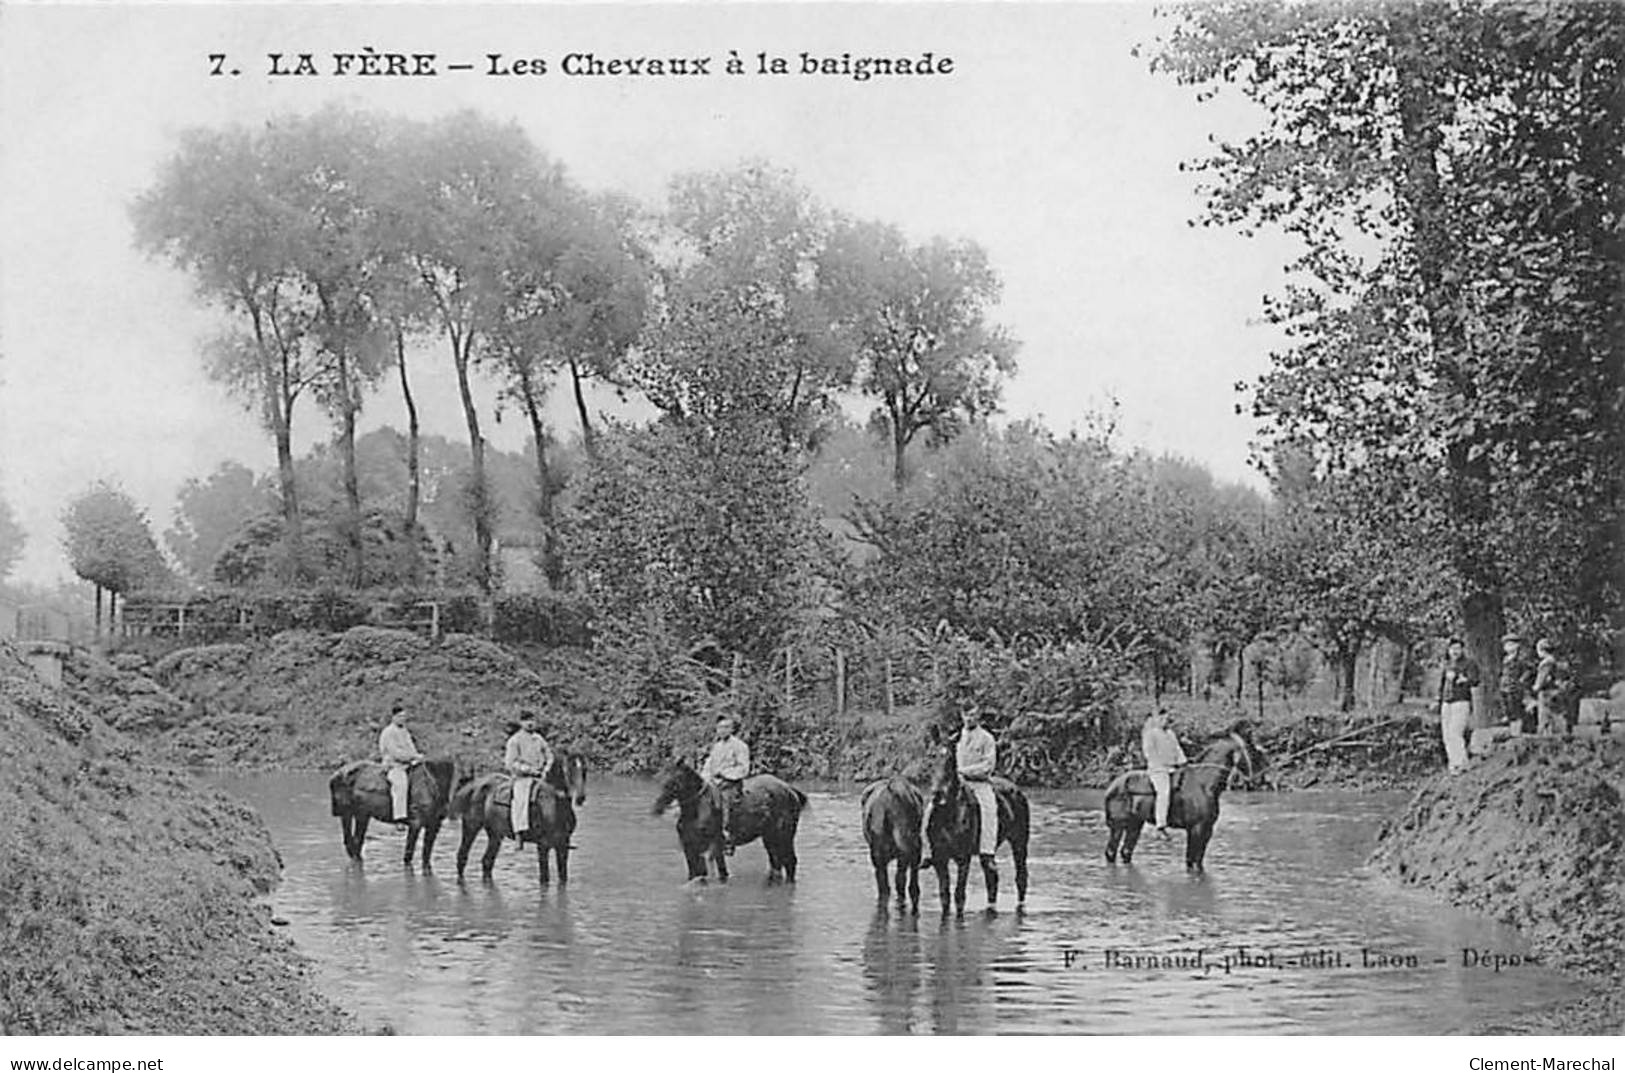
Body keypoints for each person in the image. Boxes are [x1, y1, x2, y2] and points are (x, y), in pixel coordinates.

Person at [954, 708, 1000, 868]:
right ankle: (929, 850)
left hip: (979, 783)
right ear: (962, 715)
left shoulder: (987, 738)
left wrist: (964, 771)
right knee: (932, 808)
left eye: (972, 715)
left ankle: (987, 852)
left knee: (989, 810)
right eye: (966, 714)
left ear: (978, 716)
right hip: (957, 782)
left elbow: (988, 766)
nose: (969, 718)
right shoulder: (956, 737)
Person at [700, 717, 750, 854]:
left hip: (730, 783)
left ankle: (727, 837)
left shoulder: (740, 746)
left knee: (725, 802)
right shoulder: (717, 746)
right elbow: (708, 765)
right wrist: (704, 778)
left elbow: (743, 768)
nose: (722, 731)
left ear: (732, 729)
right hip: (714, 782)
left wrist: (724, 773)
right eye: (720, 728)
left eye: (726, 727)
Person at [504, 710, 555, 838]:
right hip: (522, 777)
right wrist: (529, 770)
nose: (530, 723)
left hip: (540, 775)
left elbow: (549, 755)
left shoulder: (538, 739)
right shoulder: (515, 740)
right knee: (521, 798)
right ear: (521, 723)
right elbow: (510, 763)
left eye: (532, 720)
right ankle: (519, 832)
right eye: (527, 721)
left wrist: (547, 768)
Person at [1436, 637, 1481, 772]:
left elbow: (1475, 680)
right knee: (1447, 734)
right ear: (1448, 650)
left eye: (1458, 648)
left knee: (1456, 732)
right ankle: (1453, 763)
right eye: (1452, 649)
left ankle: (1461, 763)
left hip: (1461, 701)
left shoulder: (1469, 663)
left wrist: (1465, 680)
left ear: (1462, 650)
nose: (1455, 651)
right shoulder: (1447, 664)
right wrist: (1438, 699)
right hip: (1447, 701)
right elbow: (1442, 684)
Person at [1141, 709, 1187, 837]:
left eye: (1167, 719)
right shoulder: (1151, 734)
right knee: (1164, 792)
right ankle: (1160, 824)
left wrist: (1183, 762)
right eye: (1163, 719)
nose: (1166, 722)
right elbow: (1149, 753)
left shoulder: (1170, 734)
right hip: (1158, 769)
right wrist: (1162, 764)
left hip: (1173, 768)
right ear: (1158, 719)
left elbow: (1177, 749)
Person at [378, 703, 425, 824]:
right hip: (394, 765)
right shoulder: (388, 732)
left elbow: (410, 747)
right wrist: (413, 756)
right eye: (400, 716)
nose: (402, 719)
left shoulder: (404, 731)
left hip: (408, 763)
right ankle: (399, 817)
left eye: (404, 716)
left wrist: (417, 756)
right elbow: (395, 753)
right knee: (400, 785)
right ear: (393, 717)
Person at [1533, 638, 1572, 737]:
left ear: (1541, 650)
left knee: (1546, 716)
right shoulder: (1557, 662)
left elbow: (1542, 679)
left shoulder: (1546, 663)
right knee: (1557, 714)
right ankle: (1561, 733)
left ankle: (1547, 735)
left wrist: (1536, 687)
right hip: (1557, 691)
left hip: (1547, 693)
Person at [1499, 634, 1537, 735]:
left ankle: (1518, 730)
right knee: (1508, 709)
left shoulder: (1521, 658)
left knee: (1516, 709)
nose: (1509, 647)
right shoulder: (1506, 659)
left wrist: (1522, 679)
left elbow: (1530, 669)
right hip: (1506, 686)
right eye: (1507, 645)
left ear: (1517, 645)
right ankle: (1512, 728)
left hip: (1517, 687)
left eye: (1512, 644)